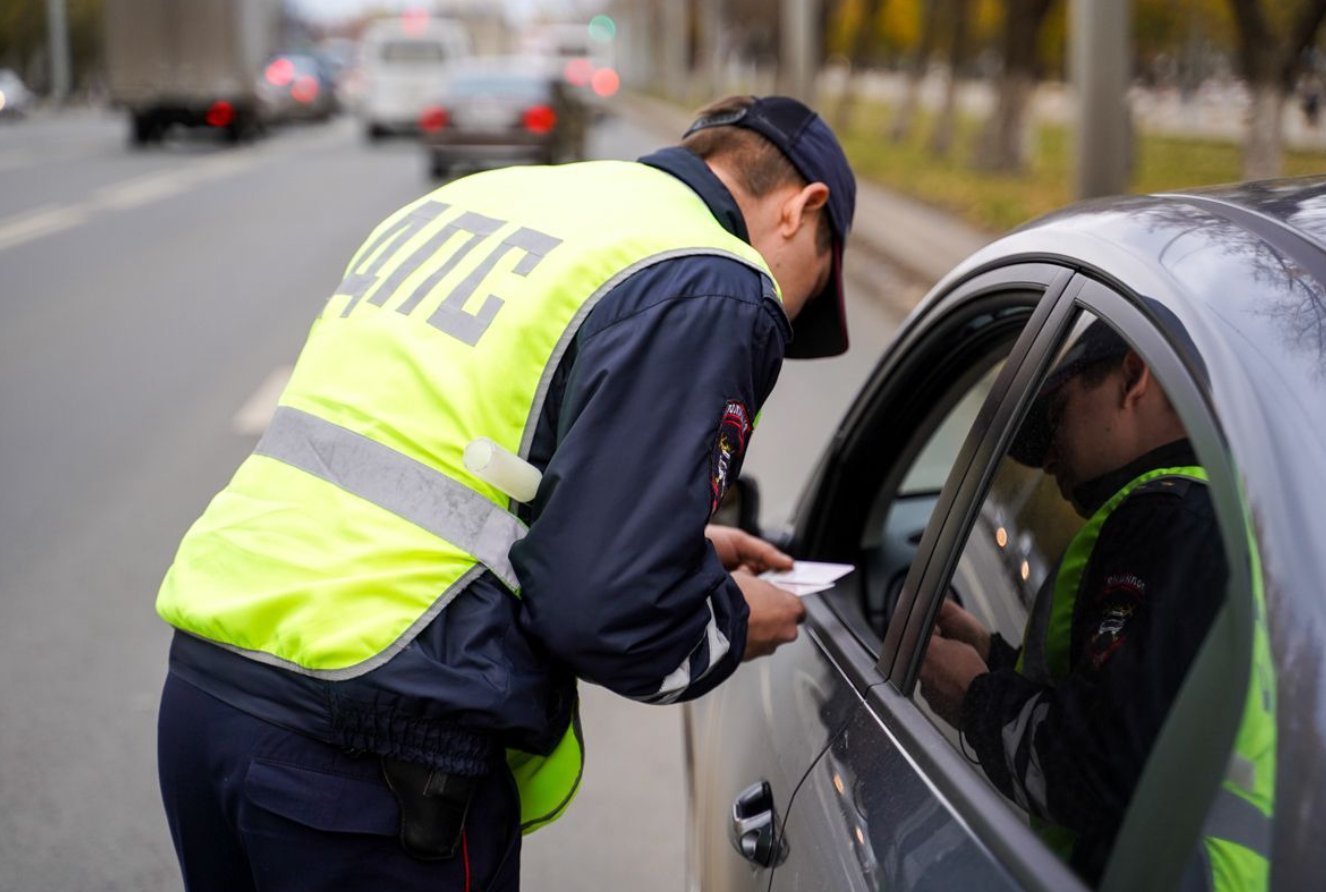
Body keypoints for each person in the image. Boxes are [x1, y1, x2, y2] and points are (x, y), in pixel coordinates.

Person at [154, 94, 856, 891]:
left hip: (210, 687)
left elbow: (460, 460)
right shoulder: (712, 277)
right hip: (374, 753)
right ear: (804, 210)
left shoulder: (486, 200)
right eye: (815, 288)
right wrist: (728, 619)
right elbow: (605, 609)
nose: (791, 318)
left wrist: (676, 551)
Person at [919, 321, 1247, 884]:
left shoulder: (1169, 520)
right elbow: (1143, 708)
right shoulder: (1215, 516)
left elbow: (1103, 766)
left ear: (1134, 377)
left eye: (1056, 416)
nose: (1046, 460)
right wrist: (994, 657)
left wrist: (975, 699)